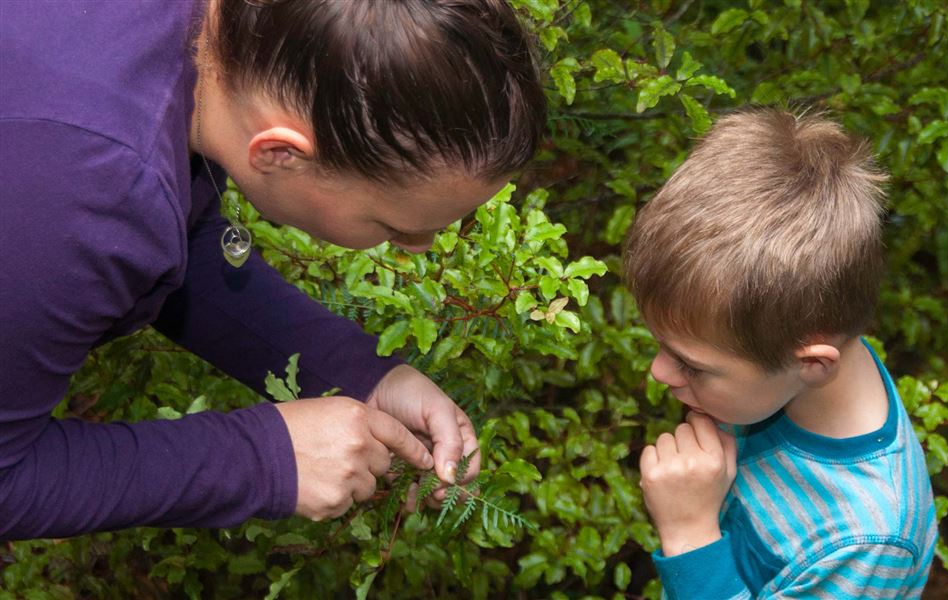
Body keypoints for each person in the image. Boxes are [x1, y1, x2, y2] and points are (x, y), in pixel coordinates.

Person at [0, 0, 545, 540]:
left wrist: (361, 374)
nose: (420, 248)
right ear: (281, 153)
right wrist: (261, 460)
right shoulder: (88, 186)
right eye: (393, 226)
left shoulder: (214, 43)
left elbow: (171, 242)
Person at [624, 108, 938, 598]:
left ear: (812, 364)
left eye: (690, 363)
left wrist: (689, 534)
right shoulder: (779, 352)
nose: (659, 372)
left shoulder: (867, 541)